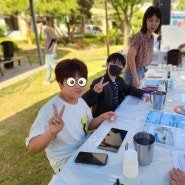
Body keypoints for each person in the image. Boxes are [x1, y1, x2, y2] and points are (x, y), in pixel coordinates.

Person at [25, 58, 117, 174]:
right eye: (72, 82)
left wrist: (103, 117)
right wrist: (51, 132)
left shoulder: (80, 101)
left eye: (81, 81)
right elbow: (33, 147)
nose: (78, 86)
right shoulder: (50, 110)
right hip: (67, 160)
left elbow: (87, 126)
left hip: (87, 148)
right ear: (60, 84)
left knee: (116, 151)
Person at [82, 52, 149, 117]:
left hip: (118, 113)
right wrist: (94, 92)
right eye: (113, 63)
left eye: (119, 64)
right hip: (104, 119)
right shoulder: (99, 83)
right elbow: (85, 102)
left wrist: (141, 94)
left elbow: (128, 89)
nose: (116, 66)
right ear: (107, 64)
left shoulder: (119, 80)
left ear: (122, 68)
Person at [124, 6, 162, 88]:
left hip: (141, 70)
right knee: (132, 99)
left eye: (157, 21)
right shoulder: (139, 37)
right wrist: (135, 77)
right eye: (151, 20)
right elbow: (130, 58)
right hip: (132, 73)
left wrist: (143, 71)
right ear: (145, 21)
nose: (154, 24)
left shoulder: (151, 37)